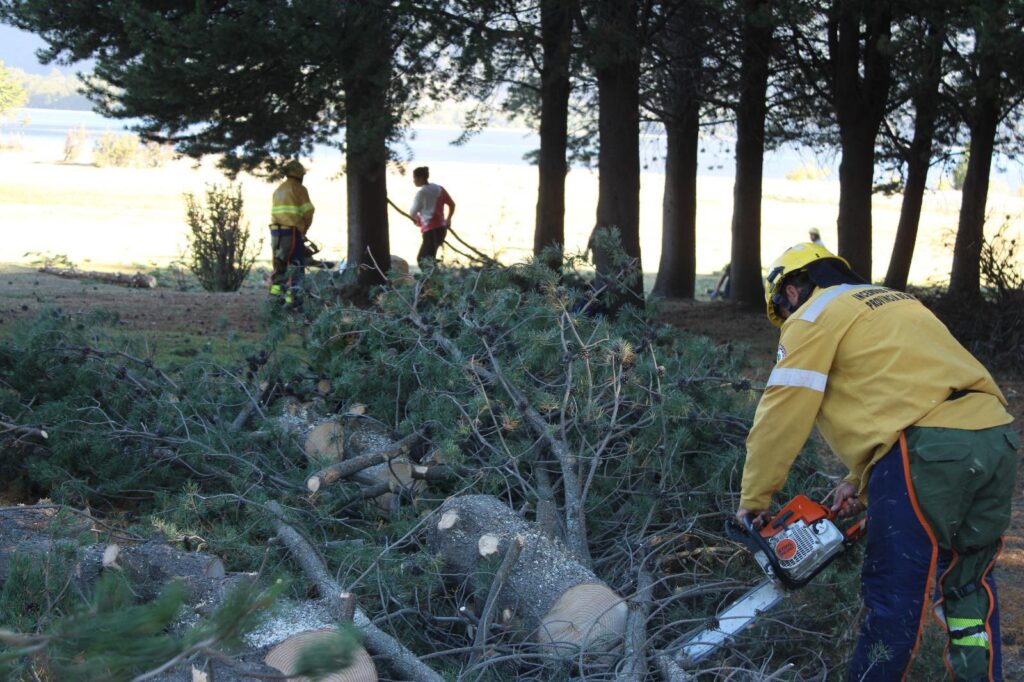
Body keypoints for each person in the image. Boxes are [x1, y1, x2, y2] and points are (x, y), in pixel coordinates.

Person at [736, 242, 1017, 681]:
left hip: (928, 449)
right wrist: (862, 479)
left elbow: (783, 409)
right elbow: (906, 388)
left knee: (894, 596)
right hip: (995, 435)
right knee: (967, 587)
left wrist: (755, 497)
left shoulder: (812, 316)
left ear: (791, 291)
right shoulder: (897, 302)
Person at [269, 160, 315, 305]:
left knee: (280, 266)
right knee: (296, 266)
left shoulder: (279, 190)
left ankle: (275, 299)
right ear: (300, 175)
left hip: (276, 234)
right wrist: (304, 229)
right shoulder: (299, 189)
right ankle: (295, 300)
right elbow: (308, 211)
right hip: (292, 233)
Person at [408, 166, 455, 264]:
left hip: (430, 231)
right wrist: (448, 219)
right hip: (441, 230)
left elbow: (412, 212)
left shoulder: (421, 193)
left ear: (421, 178)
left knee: (422, 260)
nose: (413, 181)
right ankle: (433, 278)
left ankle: (433, 279)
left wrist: (417, 220)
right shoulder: (440, 189)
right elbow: (452, 204)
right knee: (430, 259)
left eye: (415, 178)